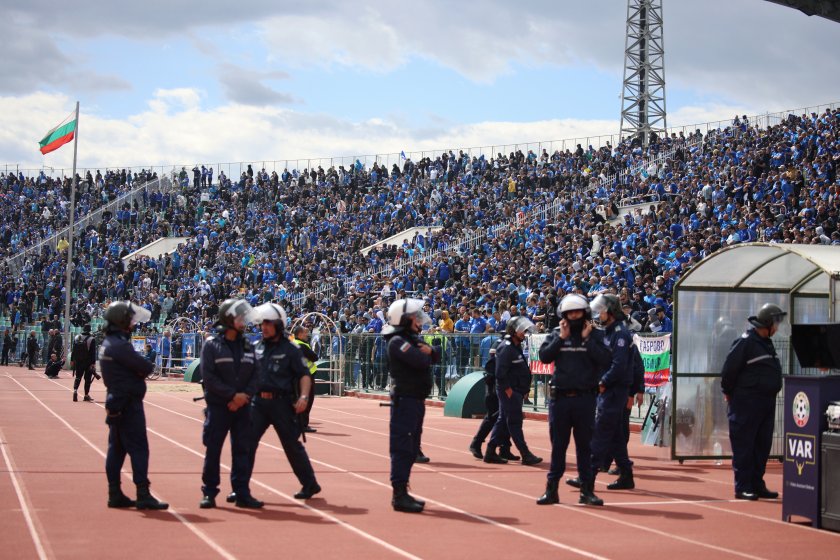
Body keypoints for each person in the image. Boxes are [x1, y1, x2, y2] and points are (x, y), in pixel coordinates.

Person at [537, 294, 611, 506]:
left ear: (585, 313)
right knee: (558, 446)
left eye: (578, 312)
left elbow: (606, 359)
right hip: (560, 399)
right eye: (570, 313)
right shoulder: (556, 333)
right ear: (564, 315)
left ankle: (587, 491)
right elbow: (544, 357)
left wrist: (587, 340)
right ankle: (551, 490)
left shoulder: (595, 335)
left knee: (584, 447)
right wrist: (561, 337)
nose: (574, 316)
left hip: (585, 399)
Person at [246, 303, 321, 503]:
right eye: (262, 323)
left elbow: (304, 375)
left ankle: (309, 483)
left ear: (279, 325)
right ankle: (240, 488)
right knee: (247, 444)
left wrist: (304, 397)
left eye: (268, 323)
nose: (264, 327)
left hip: (282, 404)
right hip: (258, 403)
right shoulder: (256, 348)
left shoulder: (291, 349)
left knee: (291, 446)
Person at [100, 300, 168, 510]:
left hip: (117, 401)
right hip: (128, 404)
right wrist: (139, 370)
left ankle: (114, 493)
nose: (133, 323)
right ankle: (142, 493)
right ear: (121, 320)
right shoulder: (119, 345)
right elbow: (145, 366)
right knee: (139, 448)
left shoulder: (109, 343)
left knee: (117, 449)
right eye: (130, 319)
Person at [199, 299, 263, 509]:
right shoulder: (212, 345)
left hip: (242, 407)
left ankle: (242, 492)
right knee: (213, 450)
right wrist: (232, 396)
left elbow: (256, 375)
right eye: (239, 317)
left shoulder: (248, 346)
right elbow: (209, 378)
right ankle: (209, 493)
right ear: (228, 318)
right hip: (219, 408)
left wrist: (243, 396)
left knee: (242, 450)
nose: (244, 321)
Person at [720, 303, 786, 501]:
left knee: (762, 445)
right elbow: (729, 370)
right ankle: (743, 486)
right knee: (744, 445)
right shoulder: (746, 342)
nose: (777, 327)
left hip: (766, 402)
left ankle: (757, 483)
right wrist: (728, 393)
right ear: (766, 323)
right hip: (746, 403)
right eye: (776, 322)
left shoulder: (766, 342)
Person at [384, 298, 440, 513]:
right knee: (402, 448)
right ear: (405, 319)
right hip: (405, 400)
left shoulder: (410, 339)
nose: (419, 321)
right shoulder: (398, 341)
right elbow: (422, 360)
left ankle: (403, 491)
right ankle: (399, 494)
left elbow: (434, 354)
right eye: (415, 317)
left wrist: (429, 351)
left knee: (410, 448)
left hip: (415, 399)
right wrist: (428, 352)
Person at [583, 294, 635, 497]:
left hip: (614, 390)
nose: (599, 314)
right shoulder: (611, 331)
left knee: (601, 432)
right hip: (610, 389)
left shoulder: (620, 334)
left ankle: (587, 476)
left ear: (611, 311)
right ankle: (626, 475)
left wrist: (603, 382)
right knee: (615, 436)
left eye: (602, 310)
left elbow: (619, 365)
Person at [484, 317, 543, 466]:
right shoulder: (507, 347)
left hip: (516, 391)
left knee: (503, 420)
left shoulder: (515, 346)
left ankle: (490, 451)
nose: (524, 332)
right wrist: (508, 390)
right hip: (509, 391)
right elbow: (500, 372)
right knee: (515, 422)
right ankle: (525, 454)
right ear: (513, 331)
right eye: (521, 330)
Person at [469, 340, 518, 462]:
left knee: (506, 418)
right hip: (495, 389)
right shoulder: (502, 345)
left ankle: (504, 448)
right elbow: (495, 368)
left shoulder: (512, 345)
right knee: (493, 417)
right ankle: (476, 443)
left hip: (506, 387)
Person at [292, 325, 318, 433]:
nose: (307, 334)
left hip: (295, 376)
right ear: (299, 334)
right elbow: (314, 357)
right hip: (306, 377)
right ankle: (303, 425)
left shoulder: (292, 343)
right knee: (307, 400)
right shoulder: (301, 345)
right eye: (305, 333)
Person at [71, 324, 97, 402]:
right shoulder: (92, 339)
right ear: (90, 330)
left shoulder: (76, 338)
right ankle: (86, 395)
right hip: (88, 362)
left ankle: (75, 390)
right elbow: (93, 352)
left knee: (78, 377)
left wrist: (72, 360)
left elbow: (74, 350)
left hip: (78, 361)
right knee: (87, 379)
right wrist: (93, 363)